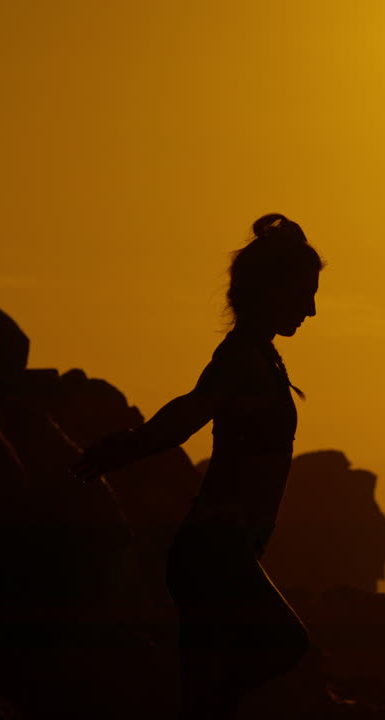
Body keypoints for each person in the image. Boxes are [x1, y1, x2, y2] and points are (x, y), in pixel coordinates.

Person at [70, 213, 323, 718]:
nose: (312, 310)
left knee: (210, 691)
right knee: (283, 647)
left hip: (227, 552)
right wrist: (125, 446)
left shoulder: (262, 357)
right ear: (272, 291)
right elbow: (189, 411)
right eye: (304, 293)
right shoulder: (242, 358)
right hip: (212, 552)